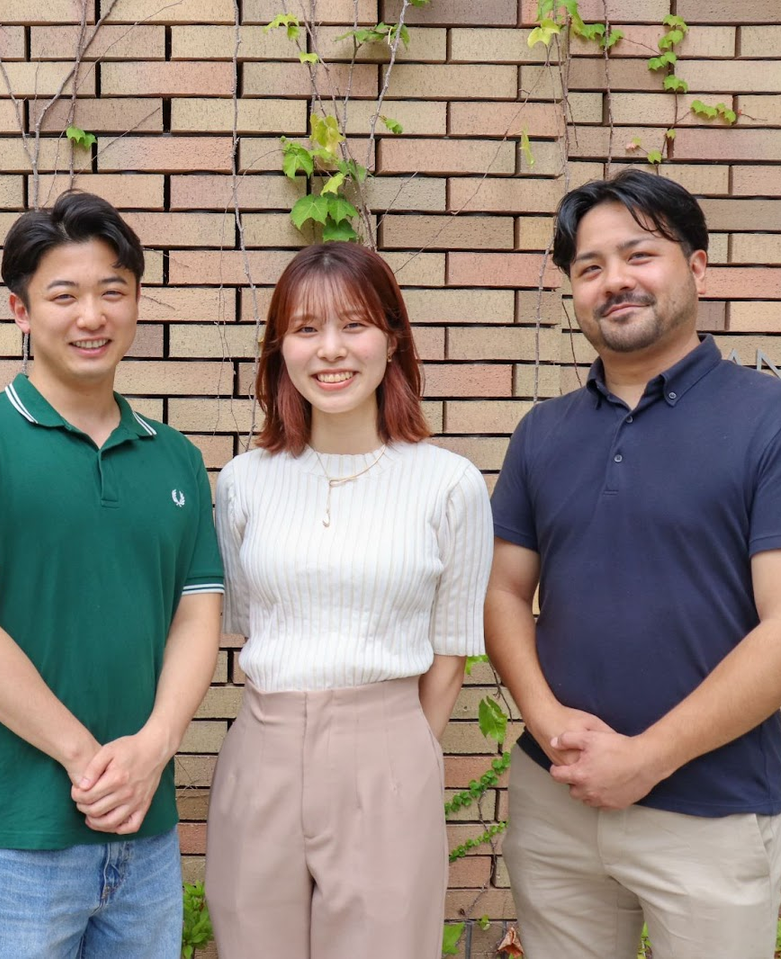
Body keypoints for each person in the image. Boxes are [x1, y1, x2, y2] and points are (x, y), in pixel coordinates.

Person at [486, 168, 781, 959]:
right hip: (556, 804)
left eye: (639, 255)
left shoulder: (776, 421)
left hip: (710, 812)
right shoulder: (543, 433)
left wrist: (645, 758)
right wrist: (548, 723)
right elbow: (503, 592)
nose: (614, 280)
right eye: (589, 267)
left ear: (697, 267)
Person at [0, 190, 224, 958]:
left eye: (113, 291)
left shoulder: (176, 458)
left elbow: (196, 617)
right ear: (20, 311)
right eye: (64, 295)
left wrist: (151, 749)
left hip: (145, 833)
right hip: (14, 837)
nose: (92, 315)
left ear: (136, 302)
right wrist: (89, 761)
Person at [204, 242, 492, 957]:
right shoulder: (243, 481)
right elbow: (248, 622)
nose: (330, 350)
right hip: (261, 749)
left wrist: (403, 752)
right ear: (280, 350)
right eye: (306, 329)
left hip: (389, 750)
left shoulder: (449, 483)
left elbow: (451, 649)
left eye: (354, 325)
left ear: (392, 339)